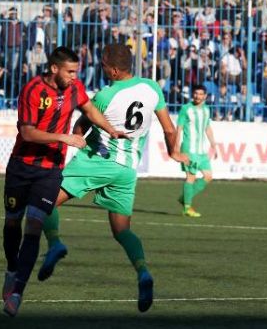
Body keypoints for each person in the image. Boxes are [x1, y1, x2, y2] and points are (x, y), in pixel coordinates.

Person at [35, 44, 189, 314]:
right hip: (128, 169)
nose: (102, 68)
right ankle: (143, 272)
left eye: (104, 65)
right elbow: (169, 128)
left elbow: (80, 128)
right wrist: (174, 152)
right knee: (122, 231)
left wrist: (73, 137)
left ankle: (55, 242)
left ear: (115, 70)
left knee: (43, 199)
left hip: (98, 161)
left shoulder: (106, 95)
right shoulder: (153, 88)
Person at [1, 47, 126, 317]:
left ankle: (17, 293)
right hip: (22, 166)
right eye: (70, 71)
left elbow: (91, 111)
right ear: (54, 68)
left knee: (34, 226)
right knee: (13, 222)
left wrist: (111, 130)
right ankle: (11, 269)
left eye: (76, 72)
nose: (74, 76)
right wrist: (64, 138)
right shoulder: (33, 90)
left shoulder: (75, 87)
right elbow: (28, 132)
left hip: (50, 171)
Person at [174, 84, 218, 218]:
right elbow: (179, 129)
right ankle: (187, 208)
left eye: (200, 94)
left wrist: (213, 145)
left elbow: (207, 127)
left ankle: (185, 197)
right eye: (195, 93)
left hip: (201, 151)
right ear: (192, 94)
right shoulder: (186, 109)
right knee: (191, 178)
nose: (197, 96)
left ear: (205, 96)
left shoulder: (206, 109)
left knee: (208, 176)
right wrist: (176, 148)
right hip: (189, 149)